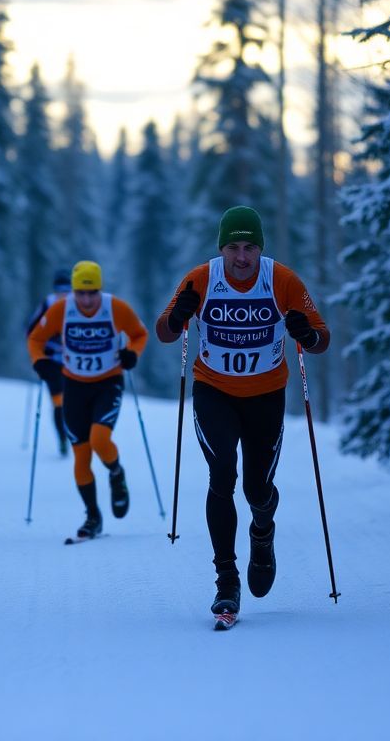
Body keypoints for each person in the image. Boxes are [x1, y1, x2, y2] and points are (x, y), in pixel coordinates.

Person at [155, 206, 330, 623]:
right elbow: (164, 331)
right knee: (222, 476)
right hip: (213, 390)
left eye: (249, 247)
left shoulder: (281, 280)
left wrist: (306, 333)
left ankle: (263, 531)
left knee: (257, 489)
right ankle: (226, 582)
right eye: (233, 247)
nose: (241, 256)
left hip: (267, 395)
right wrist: (179, 315)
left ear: (260, 248)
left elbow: (321, 338)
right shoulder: (202, 278)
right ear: (222, 248)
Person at [28, 260, 148, 540]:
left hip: (108, 383)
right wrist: (41, 363)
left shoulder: (115, 307)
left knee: (100, 440)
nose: (86, 299)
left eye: (92, 292)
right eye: (81, 293)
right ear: (73, 292)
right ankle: (93, 516)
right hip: (75, 386)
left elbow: (139, 334)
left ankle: (116, 474)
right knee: (81, 455)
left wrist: (132, 353)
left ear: (100, 290)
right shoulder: (61, 309)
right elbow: (35, 339)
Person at [24, 269, 73, 456]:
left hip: (73, 361)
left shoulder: (79, 304)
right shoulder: (48, 303)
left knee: (74, 401)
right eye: (60, 289)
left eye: (68, 289)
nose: (64, 293)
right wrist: (38, 351)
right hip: (51, 360)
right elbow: (30, 331)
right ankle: (62, 438)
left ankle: (75, 435)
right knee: (58, 401)